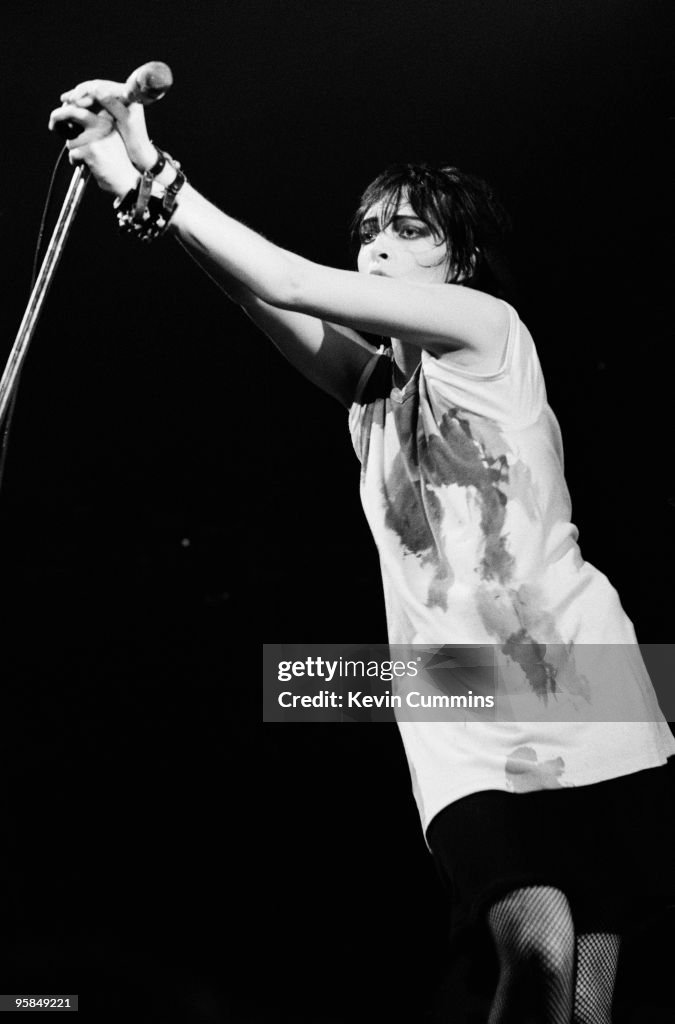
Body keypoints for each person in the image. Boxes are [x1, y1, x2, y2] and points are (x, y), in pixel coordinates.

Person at [49, 82, 674, 1023]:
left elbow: (293, 279)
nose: (376, 245)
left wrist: (162, 178)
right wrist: (131, 172)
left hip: (590, 682)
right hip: (457, 704)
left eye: (408, 230)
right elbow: (259, 288)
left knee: (588, 993)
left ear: (456, 261)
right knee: (536, 951)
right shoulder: (371, 390)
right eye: (368, 229)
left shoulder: (488, 329)